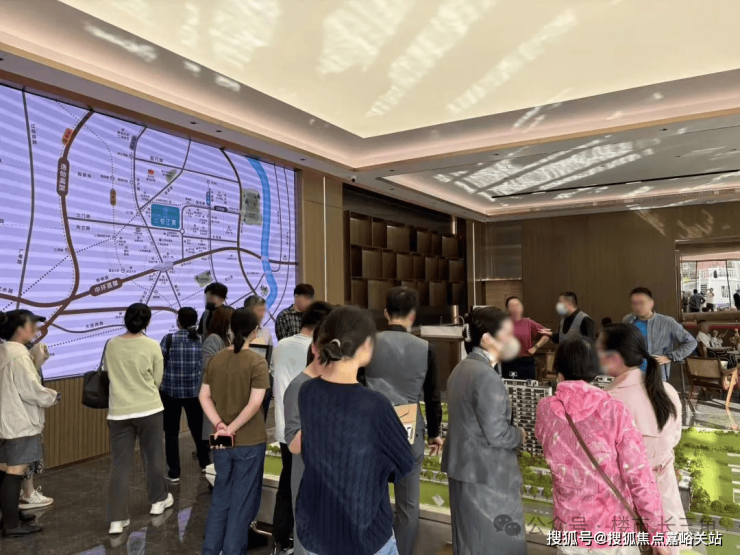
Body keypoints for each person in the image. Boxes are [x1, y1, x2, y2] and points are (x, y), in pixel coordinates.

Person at [290, 306, 414, 555]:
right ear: (366, 346)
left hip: (317, 530)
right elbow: (403, 463)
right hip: (366, 535)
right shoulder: (375, 405)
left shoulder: (308, 392)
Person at [535, 338, 670, 555]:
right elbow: (639, 477)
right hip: (614, 533)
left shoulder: (545, 410)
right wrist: (659, 536)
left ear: (558, 369)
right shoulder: (614, 410)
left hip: (570, 529)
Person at [363, 287, 443, 555]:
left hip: (372, 429)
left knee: (372, 499)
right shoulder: (426, 348)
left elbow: (357, 387)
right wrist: (434, 433)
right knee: (408, 506)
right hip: (410, 430)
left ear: (386, 313)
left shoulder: (368, 343)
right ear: (412, 316)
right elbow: (432, 397)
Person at [441, 307, 527, 555]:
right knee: (496, 542)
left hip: (464, 469)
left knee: (469, 539)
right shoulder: (486, 376)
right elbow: (497, 434)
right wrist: (519, 434)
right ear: (487, 338)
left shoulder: (461, 368)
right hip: (487, 475)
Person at [599, 324, 687, 555]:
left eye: (598, 349)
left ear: (615, 357)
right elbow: (674, 439)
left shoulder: (608, 401)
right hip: (665, 500)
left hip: (626, 505)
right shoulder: (667, 390)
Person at [200, 308, 269, 555]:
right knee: (242, 504)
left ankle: (210, 550)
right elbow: (255, 403)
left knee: (221, 498)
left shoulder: (216, 359)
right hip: (249, 442)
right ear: (255, 331)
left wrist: (220, 425)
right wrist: (232, 428)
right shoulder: (257, 362)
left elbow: (204, 396)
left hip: (221, 441)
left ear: (230, 329)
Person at [271, 301, 333, 555]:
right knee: (299, 488)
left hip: (283, 424)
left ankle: (281, 539)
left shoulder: (281, 345)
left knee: (287, 485)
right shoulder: (314, 357)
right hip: (301, 431)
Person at [106, 303, 172, 535]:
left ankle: (117, 519)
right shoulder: (152, 345)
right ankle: (158, 500)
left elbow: (107, 371)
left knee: (119, 465)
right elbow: (157, 379)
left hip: (118, 412)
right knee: (153, 457)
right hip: (149, 409)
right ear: (148, 322)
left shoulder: (111, 344)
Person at [0, 310, 58, 537]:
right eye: (30, 325)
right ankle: (11, 524)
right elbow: (31, 390)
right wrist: (53, 396)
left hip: (6, 421)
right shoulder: (19, 354)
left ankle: (10, 515)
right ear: (18, 329)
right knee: (16, 470)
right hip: (19, 421)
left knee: (4, 469)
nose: (35, 330)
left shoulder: (4, 350)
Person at [283, 327, 327, 555]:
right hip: (308, 478)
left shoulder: (332, 384)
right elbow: (293, 443)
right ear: (315, 348)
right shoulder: (299, 387)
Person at [159, 307, 210, 482]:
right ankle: (205, 464)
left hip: (170, 392)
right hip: (194, 393)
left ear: (178, 321)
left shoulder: (169, 339)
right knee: (198, 430)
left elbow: (160, 364)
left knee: (171, 433)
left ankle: (174, 472)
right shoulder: (201, 340)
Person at [622, 287, 697, 381]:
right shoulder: (628, 320)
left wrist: (670, 357)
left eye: (641, 303)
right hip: (631, 373)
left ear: (651, 303)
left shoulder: (667, 322)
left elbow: (691, 342)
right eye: (634, 303)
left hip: (656, 375)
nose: (637, 306)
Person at [19, 341, 54, 511]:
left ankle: (24, 491)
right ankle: (28, 493)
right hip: (22, 413)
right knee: (25, 451)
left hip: (22, 413)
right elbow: (28, 385)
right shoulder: (17, 353)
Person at [200, 306, 234, 441]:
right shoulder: (213, 339)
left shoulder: (228, 338)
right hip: (214, 395)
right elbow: (208, 365)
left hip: (225, 394)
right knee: (218, 437)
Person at [502, 296, 552, 380]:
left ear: (522, 307)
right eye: (511, 306)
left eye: (517, 305)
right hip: (508, 362)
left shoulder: (528, 323)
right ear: (507, 309)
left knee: (527, 386)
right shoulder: (502, 323)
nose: (514, 308)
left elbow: (547, 334)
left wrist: (535, 347)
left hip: (526, 362)